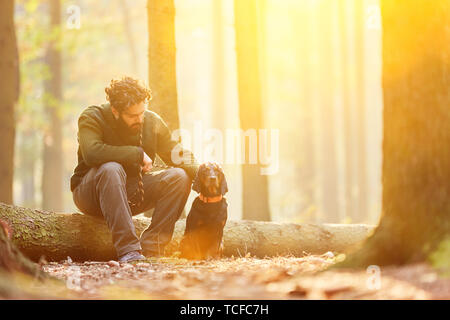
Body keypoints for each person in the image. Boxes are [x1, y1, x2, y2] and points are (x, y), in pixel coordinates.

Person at [70, 76, 199, 262]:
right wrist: (137, 154)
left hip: (131, 193)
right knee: (111, 169)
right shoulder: (92, 117)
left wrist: (201, 171)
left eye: (142, 113)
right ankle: (129, 251)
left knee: (179, 176)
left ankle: (153, 248)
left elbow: (177, 154)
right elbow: (92, 153)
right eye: (132, 116)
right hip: (91, 194)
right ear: (115, 110)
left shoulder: (151, 121)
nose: (140, 119)